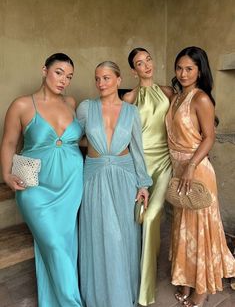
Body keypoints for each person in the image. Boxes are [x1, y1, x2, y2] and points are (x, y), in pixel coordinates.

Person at [0, 53, 83, 307]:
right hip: (35, 185)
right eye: (59, 72)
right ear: (44, 69)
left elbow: (81, 139)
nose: (63, 81)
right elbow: (10, 143)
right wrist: (6, 174)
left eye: (68, 77)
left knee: (65, 246)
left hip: (71, 185)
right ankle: (72, 303)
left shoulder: (71, 102)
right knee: (55, 245)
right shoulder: (22, 105)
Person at [76, 61, 152, 307]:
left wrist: (143, 184)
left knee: (123, 236)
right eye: (97, 78)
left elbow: (138, 150)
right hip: (94, 176)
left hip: (125, 176)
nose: (101, 83)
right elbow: (71, 140)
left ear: (119, 80)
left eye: (107, 78)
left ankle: (121, 296)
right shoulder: (86, 108)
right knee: (98, 234)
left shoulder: (132, 112)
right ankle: (98, 296)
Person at [165, 46, 235, 307]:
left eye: (189, 69)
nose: (183, 73)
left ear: (199, 70)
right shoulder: (177, 96)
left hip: (197, 170)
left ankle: (202, 289)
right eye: (179, 68)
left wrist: (192, 165)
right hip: (178, 167)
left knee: (200, 229)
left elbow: (209, 137)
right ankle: (184, 277)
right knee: (183, 227)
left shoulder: (201, 98)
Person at [123, 47, 173, 305]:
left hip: (164, 163)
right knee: (138, 218)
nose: (146, 65)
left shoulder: (167, 92)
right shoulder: (129, 97)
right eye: (140, 63)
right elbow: (119, 132)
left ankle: (146, 292)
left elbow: (182, 122)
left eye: (148, 59)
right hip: (138, 164)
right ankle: (132, 272)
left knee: (152, 216)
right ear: (134, 70)